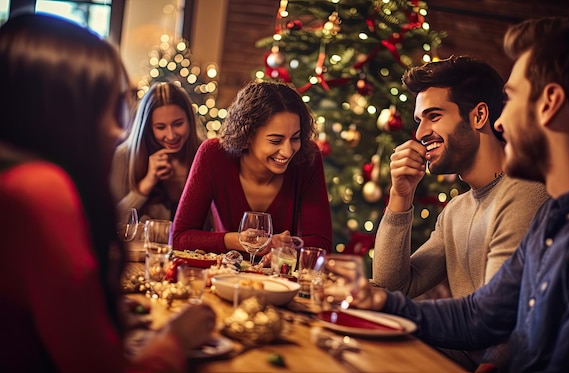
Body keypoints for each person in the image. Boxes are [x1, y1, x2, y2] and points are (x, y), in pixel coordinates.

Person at [350, 17, 569, 372]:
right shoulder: (556, 215)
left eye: (510, 100)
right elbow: (481, 314)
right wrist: (379, 302)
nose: (500, 121)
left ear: (550, 103)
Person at [0, 14, 215, 372]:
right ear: (61, 110)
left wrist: (104, 315)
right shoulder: (38, 190)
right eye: (109, 106)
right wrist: (175, 339)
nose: (119, 129)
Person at [372, 55, 548, 370]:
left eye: (434, 116)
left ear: (479, 115)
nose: (421, 133)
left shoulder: (524, 193)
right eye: (419, 121)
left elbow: (504, 326)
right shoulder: (456, 210)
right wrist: (400, 194)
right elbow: (391, 286)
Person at [173, 80, 332, 259]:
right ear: (246, 135)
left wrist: (286, 249)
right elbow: (180, 237)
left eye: (295, 138)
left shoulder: (308, 157)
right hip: (222, 277)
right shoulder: (213, 155)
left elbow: (323, 244)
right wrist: (238, 240)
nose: (288, 152)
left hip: (281, 283)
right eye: (275, 140)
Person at [110, 81, 205, 222]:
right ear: (148, 128)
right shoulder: (124, 156)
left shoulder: (204, 154)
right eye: (160, 127)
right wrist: (147, 183)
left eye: (178, 124)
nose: (171, 135)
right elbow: (112, 221)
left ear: (190, 120)